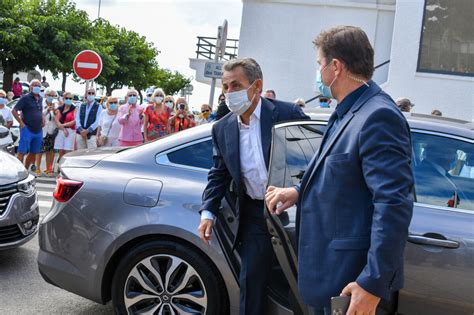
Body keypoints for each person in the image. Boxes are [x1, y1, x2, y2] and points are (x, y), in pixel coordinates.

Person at [265, 26, 414, 315]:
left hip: (350, 284)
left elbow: (393, 204)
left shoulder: (378, 116)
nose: (318, 72)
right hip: (329, 277)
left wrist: (371, 284)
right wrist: (298, 191)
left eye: (320, 64)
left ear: (336, 67)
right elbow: (339, 169)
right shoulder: (348, 110)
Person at [198, 58, 308, 315]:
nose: (229, 93)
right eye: (226, 87)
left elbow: (315, 158)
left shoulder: (287, 114)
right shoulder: (222, 128)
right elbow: (219, 173)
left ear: (257, 86)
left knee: (302, 283)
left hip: (294, 212)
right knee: (252, 282)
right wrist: (208, 212)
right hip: (255, 215)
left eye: (236, 85)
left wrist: (299, 191)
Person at [12, 79, 45, 170]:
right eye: (35, 85)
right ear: (30, 87)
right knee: (22, 151)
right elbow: (14, 110)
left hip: (38, 129)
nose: (37, 87)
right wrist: (21, 123)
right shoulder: (25, 98)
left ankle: (25, 170)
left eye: (38, 85)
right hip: (27, 128)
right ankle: (19, 171)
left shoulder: (41, 98)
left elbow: (40, 110)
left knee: (34, 152)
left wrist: (43, 118)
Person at [35, 88, 58, 176]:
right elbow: (38, 115)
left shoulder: (56, 105)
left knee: (50, 151)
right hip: (42, 130)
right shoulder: (41, 103)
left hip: (51, 131)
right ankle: (38, 169)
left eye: (53, 95)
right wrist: (47, 110)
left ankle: (49, 169)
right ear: (46, 95)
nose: (51, 97)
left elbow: (56, 117)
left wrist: (55, 112)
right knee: (39, 150)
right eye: (49, 95)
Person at [54, 91, 76, 162]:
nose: (68, 99)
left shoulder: (74, 108)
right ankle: (59, 167)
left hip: (71, 131)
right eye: (67, 98)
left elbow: (74, 121)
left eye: (70, 98)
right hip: (61, 131)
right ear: (63, 99)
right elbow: (56, 120)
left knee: (68, 150)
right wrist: (63, 129)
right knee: (61, 150)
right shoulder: (60, 108)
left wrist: (63, 125)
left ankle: (66, 165)